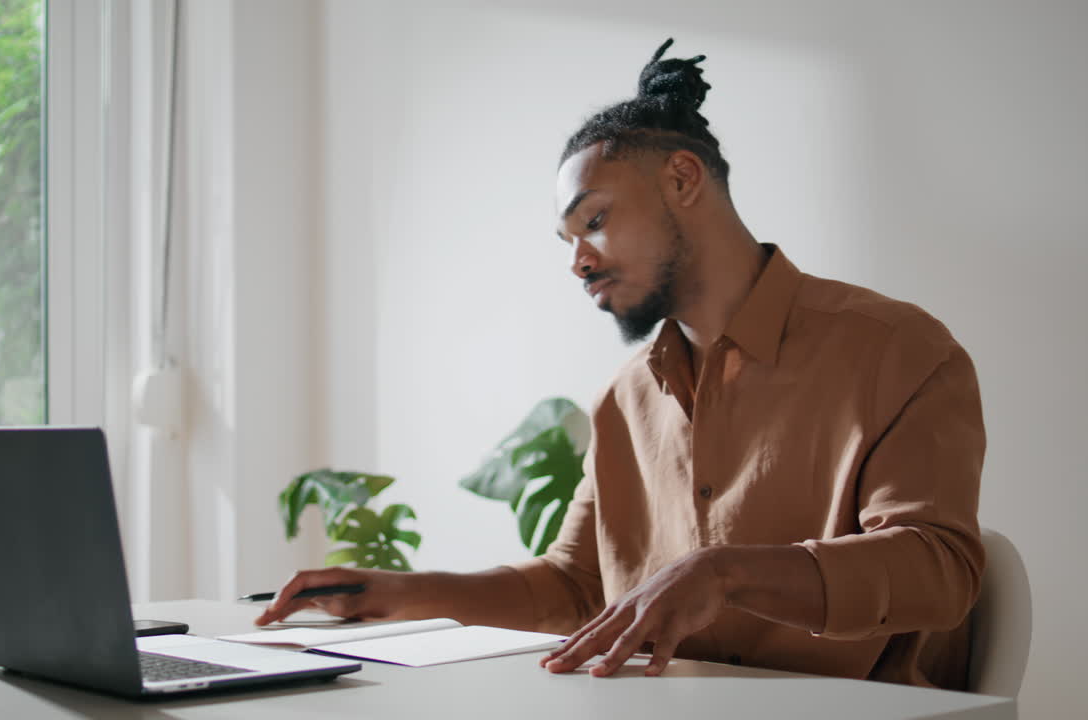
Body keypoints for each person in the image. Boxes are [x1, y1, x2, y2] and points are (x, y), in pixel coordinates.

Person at [257, 39, 985, 690]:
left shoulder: (896, 348)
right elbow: (577, 586)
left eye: (594, 220)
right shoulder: (625, 399)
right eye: (566, 238)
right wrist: (403, 595)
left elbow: (940, 569)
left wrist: (725, 572)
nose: (577, 261)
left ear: (681, 179)